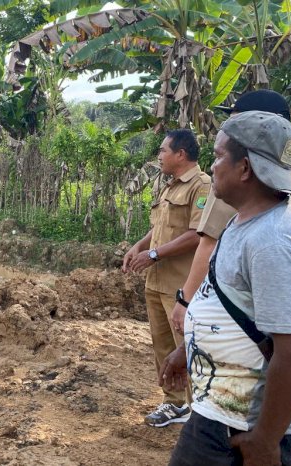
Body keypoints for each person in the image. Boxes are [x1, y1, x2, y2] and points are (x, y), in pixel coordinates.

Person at [162, 111, 291, 465]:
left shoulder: (275, 241)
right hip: (220, 412)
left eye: (218, 156)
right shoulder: (245, 219)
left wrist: (264, 441)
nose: (213, 166)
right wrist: (187, 350)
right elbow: (228, 302)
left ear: (245, 169)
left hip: (241, 429)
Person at [170, 90, 291, 337]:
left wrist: (186, 301)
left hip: (234, 317)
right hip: (275, 309)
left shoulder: (238, 179)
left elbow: (209, 242)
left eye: (237, 120)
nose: (229, 128)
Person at [122, 129, 211, 427]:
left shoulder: (202, 186)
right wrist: (140, 246)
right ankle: (173, 404)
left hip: (181, 287)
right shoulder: (170, 186)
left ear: (181, 154)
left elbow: (198, 235)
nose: (159, 156)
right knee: (162, 346)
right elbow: (159, 225)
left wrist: (155, 254)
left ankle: (199, 407)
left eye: (163, 150)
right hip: (156, 282)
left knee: (187, 347)